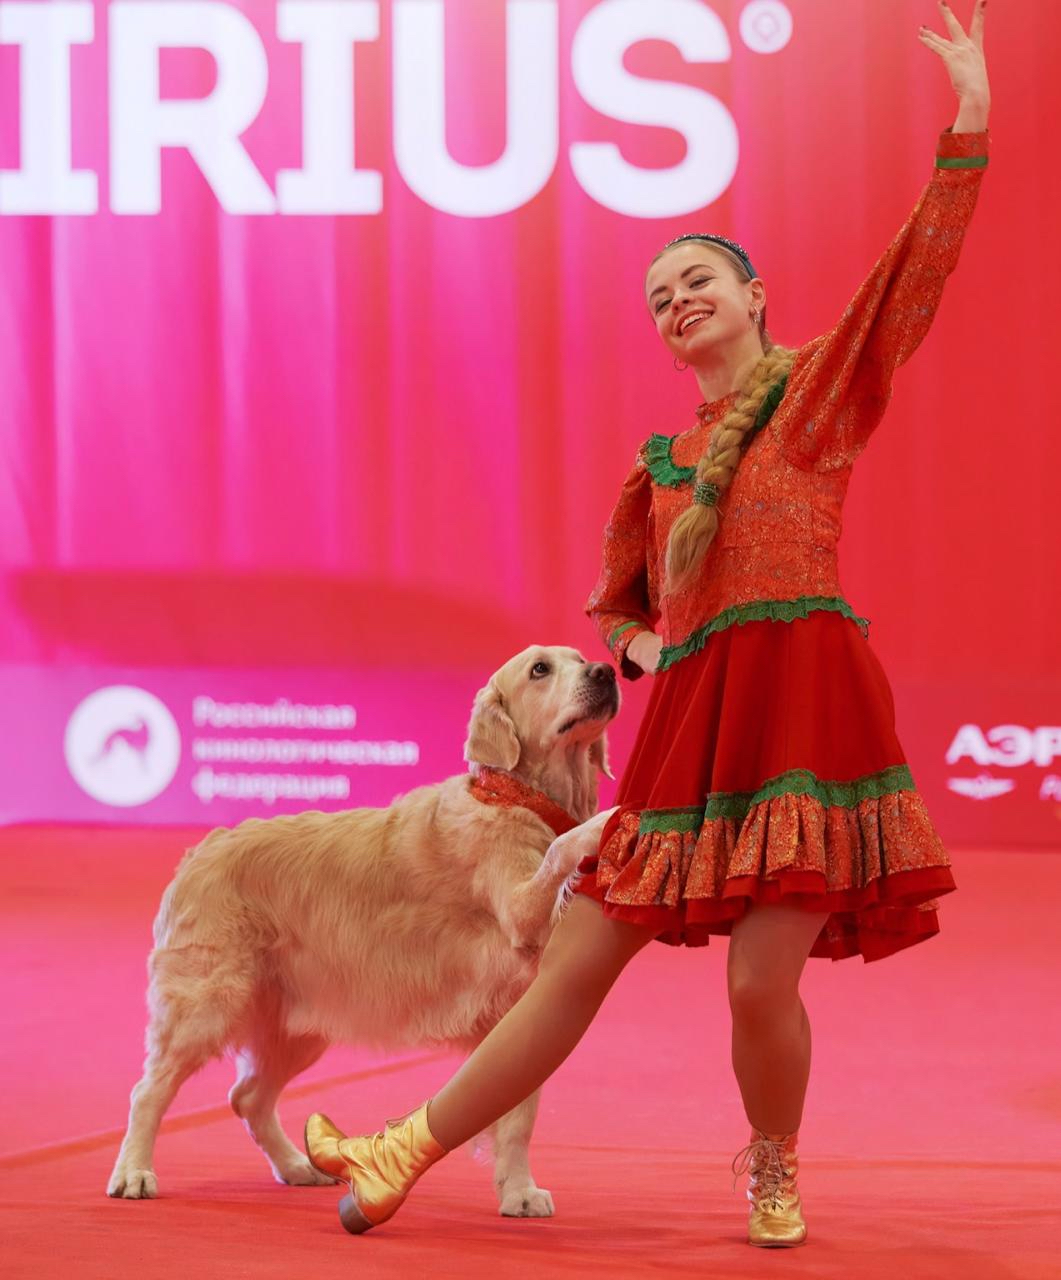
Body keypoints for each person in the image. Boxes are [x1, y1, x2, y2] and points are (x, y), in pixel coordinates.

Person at [304, 0, 990, 1247]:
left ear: (752, 296)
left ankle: (771, 1164)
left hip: (805, 707)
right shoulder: (657, 466)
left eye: (696, 281)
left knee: (754, 977)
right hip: (694, 727)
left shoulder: (814, 396)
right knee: (572, 964)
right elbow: (622, 605)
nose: (674, 301)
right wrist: (642, 653)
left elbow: (908, 287)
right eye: (657, 294)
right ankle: (406, 1148)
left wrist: (968, 132)